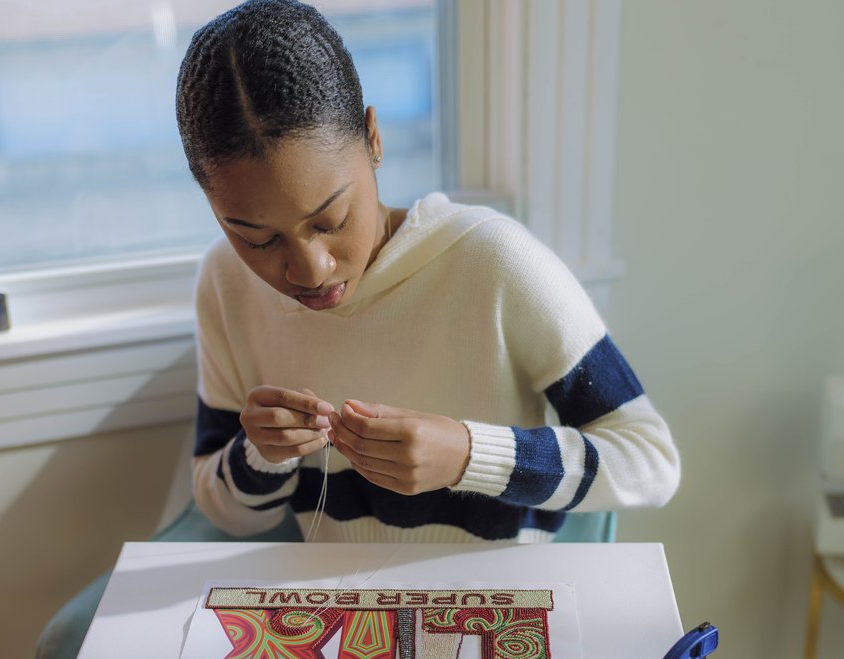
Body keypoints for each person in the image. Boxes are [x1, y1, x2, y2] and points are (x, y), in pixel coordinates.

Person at [177, 0, 679, 544]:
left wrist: (470, 455)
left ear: (373, 137)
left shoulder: (493, 261)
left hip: (500, 612)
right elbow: (228, 515)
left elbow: (650, 461)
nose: (310, 269)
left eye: (330, 220)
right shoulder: (225, 284)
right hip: (339, 615)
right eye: (259, 239)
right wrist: (261, 456)